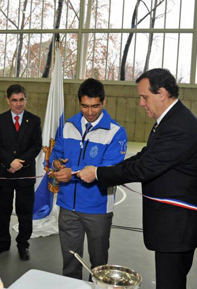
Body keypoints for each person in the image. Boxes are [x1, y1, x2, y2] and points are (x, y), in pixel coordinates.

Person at [77, 68, 197, 289]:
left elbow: (144, 168)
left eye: (144, 97)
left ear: (162, 93)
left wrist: (98, 173)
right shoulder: (169, 120)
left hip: (177, 227)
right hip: (174, 225)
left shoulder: (178, 127)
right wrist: (108, 168)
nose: (141, 103)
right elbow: (145, 155)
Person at [50, 78, 127, 279]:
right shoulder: (67, 126)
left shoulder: (116, 132)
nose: (90, 112)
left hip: (98, 209)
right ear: (79, 102)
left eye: (95, 106)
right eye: (85, 106)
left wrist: (71, 171)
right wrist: (57, 164)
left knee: (99, 265)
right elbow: (55, 154)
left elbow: (109, 168)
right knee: (70, 263)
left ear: (104, 102)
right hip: (67, 206)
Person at [0, 84, 42, 261]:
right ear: (8, 101)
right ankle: (2, 243)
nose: (18, 104)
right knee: (3, 211)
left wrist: (20, 163)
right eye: (14, 100)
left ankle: (23, 244)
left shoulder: (34, 120)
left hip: (25, 173)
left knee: (24, 211)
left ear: (25, 100)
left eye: (21, 100)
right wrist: (9, 161)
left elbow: (36, 146)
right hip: (4, 172)